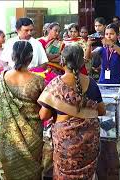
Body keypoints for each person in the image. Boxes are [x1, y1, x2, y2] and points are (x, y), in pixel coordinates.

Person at [38, 44, 105, 179]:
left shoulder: (55, 85)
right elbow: (102, 111)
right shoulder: (91, 83)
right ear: (81, 63)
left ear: (62, 61)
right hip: (90, 140)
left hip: (65, 143)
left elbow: (43, 115)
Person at [0, 41, 45, 180]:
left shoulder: (0, 78)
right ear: (30, 58)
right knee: (32, 170)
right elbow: (45, 109)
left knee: (11, 170)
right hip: (32, 135)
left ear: (12, 56)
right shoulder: (38, 81)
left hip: (8, 136)